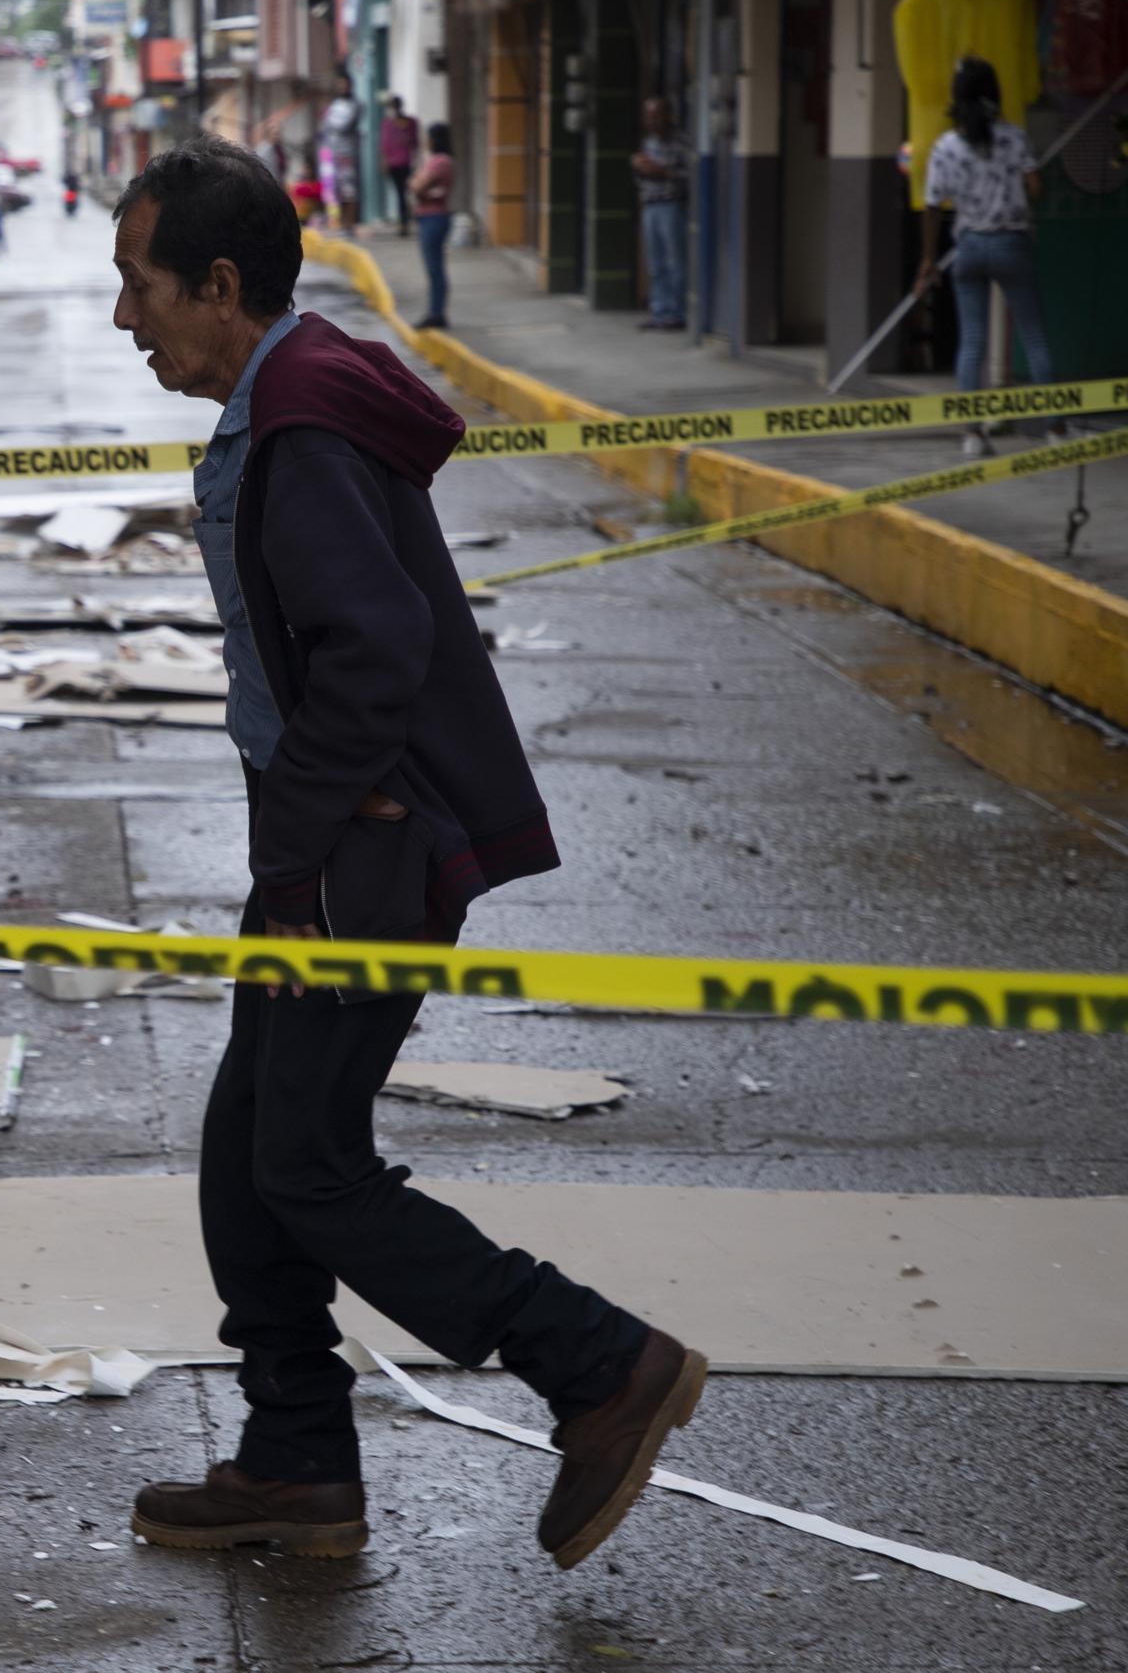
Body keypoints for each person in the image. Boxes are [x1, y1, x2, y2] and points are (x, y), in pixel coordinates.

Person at [106, 136, 703, 1571]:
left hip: (350, 859)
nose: (126, 318)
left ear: (221, 285)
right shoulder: (293, 394)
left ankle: (600, 1363)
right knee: (252, 1159)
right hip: (323, 845)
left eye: (140, 287)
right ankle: (298, 1458)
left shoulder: (302, 429)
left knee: (304, 1167)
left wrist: (306, 843)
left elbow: (375, 650)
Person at [915, 56, 1057, 455]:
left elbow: (931, 206)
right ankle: (1056, 428)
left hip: (969, 248)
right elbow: (1036, 188)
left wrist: (928, 259)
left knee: (972, 342)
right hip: (1012, 244)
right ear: (995, 94)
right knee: (1033, 335)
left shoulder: (944, 147)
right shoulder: (1014, 138)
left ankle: (973, 434)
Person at [630, 96, 689, 332]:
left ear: (669, 116)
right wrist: (639, 168)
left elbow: (690, 175)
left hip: (672, 205)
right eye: (648, 116)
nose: (651, 121)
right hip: (650, 205)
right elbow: (640, 179)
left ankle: (677, 313)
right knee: (655, 264)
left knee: (675, 261)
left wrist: (662, 171)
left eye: (656, 115)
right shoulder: (648, 143)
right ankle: (659, 311)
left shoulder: (682, 142)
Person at [409, 122, 456, 328]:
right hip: (430, 217)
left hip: (434, 218)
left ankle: (437, 313)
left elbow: (417, 186)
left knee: (435, 268)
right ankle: (436, 311)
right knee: (433, 268)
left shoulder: (440, 161)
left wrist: (417, 182)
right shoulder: (436, 161)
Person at [320, 75, 361, 233]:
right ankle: (342, 223)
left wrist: (331, 123)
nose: (342, 87)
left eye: (344, 84)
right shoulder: (335, 105)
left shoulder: (355, 104)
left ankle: (350, 223)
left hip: (347, 153)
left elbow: (341, 125)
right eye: (339, 84)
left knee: (349, 189)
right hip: (332, 153)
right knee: (336, 190)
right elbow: (326, 125)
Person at [379, 97, 419, 236]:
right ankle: (404, 222)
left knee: (404, 193)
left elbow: (414, 143)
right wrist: (385, 162)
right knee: (401, 193)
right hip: (394, 164)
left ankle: (405, 221)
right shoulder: (388, 124)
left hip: (405, 163)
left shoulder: (409, 123)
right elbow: (384, 145)